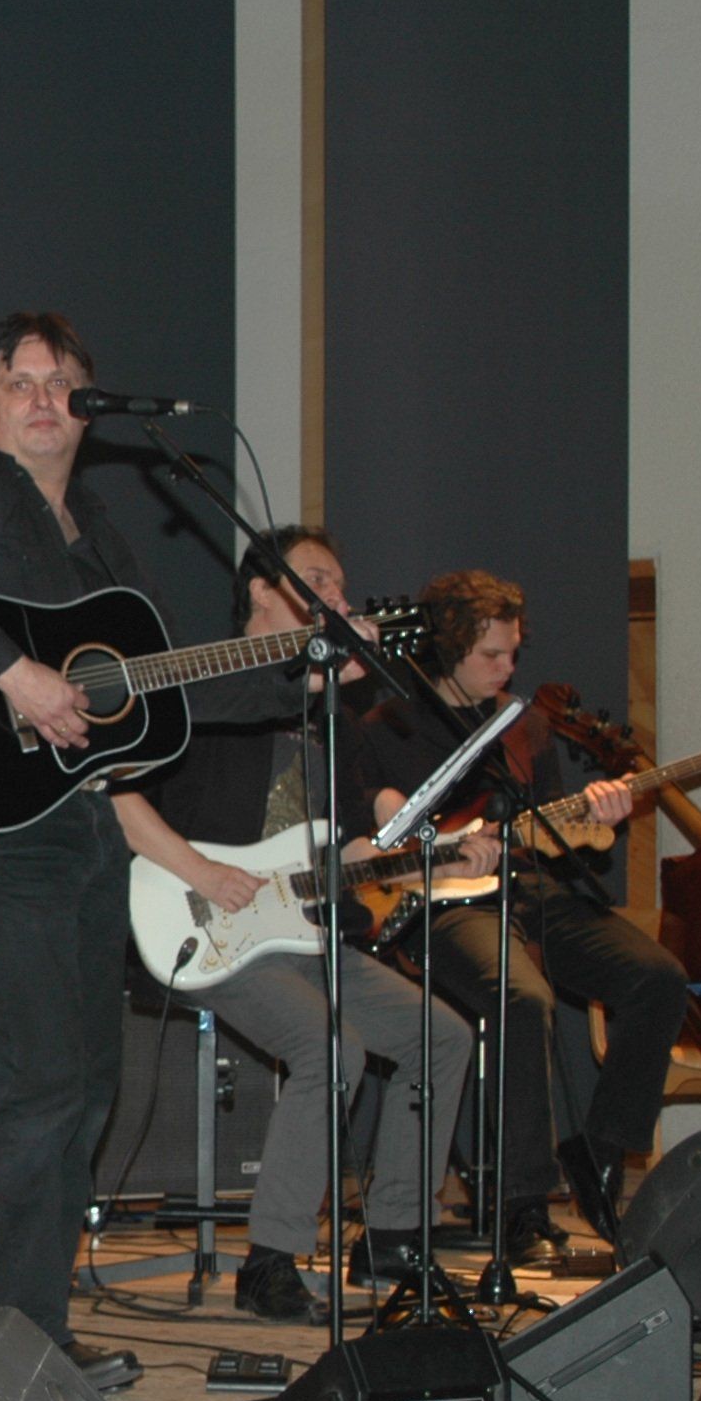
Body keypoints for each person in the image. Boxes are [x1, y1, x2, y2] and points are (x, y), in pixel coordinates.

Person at [0, 312, 300, 1388]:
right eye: (20, 383)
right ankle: (10, 1349)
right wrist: (12, 675)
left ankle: (38, 1330)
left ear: (89, 409)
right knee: (39, 1088)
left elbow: (164, 689)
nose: (43, 399)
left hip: (86, 836)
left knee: (90, 1085)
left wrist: (300, 670)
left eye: (62, 383)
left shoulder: (99, 533)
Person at [109, 528, 474, 1315]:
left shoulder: (331, 716)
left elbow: (346, 848)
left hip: (303, 932)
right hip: (204, 923)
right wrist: (201, 871)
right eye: (316, 580)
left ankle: (391, 1237)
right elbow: (114, 790)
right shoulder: (204, 683)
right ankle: (271, 1261)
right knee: (329, 1047)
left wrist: (440, 854)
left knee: (443, 1037)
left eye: (339, 585)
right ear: (260, 590)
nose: (334, 597)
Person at [353, 568, 690, 1258]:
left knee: (658, 976)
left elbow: (551, 844)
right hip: (440, 902)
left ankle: (600, 1152)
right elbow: (366, 846)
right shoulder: (388, 726)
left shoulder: (524, 725)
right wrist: (441, 853)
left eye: (513, 653)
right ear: (447, 648)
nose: (507, 668)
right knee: (520, 996)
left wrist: (598, 820)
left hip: (528, 887)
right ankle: (521, 1203)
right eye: (491, 655)